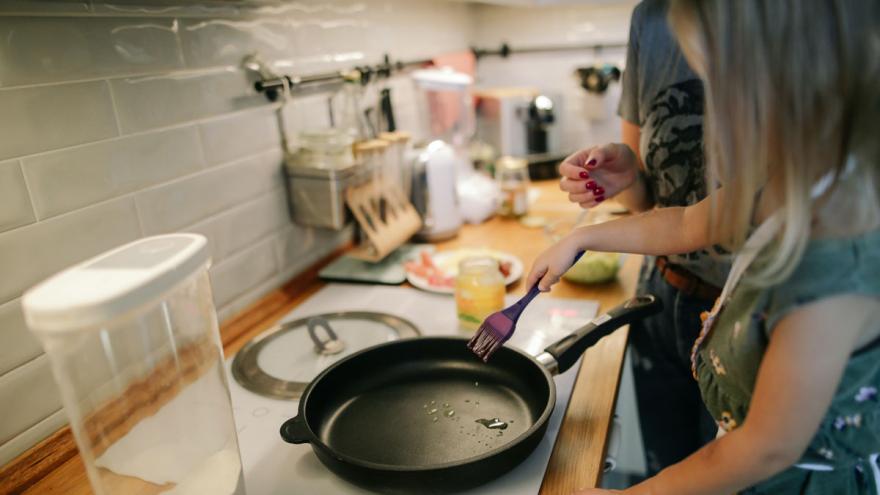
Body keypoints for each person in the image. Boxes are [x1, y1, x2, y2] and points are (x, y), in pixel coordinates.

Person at [530, 0, 880, 493]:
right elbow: (687, 223)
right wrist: (582, 237)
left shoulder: (833, 264)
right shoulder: (791, 178)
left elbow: (762, 449)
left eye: (720, 80)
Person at [559, 0, 720, 474]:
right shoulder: (652, 18)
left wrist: (584, 238)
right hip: (662, 298)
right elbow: (664, 207)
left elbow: (761, 450)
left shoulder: (806, 23)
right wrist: (626, 174)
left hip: (752, 311)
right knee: (664, 465)